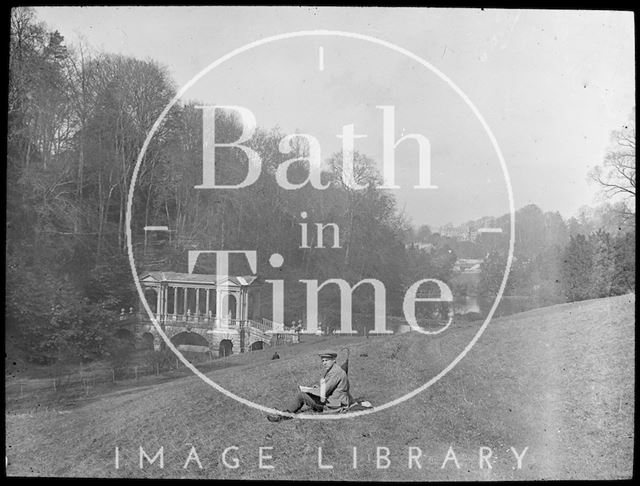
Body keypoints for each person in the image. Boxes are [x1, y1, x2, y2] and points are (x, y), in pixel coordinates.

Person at [267, 351, 354, 422]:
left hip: (333, 406)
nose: (324, 363)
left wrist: (309, 390)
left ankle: (283, 416)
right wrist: (315, 389)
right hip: (334, 402)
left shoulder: (335, 373)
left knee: (301, 395)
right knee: (305, 393)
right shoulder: (334, 370)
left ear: (334, 360)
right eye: (323, 361)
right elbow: (329, 388)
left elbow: (324, 392)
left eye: (326, 360)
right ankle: (285, 413)